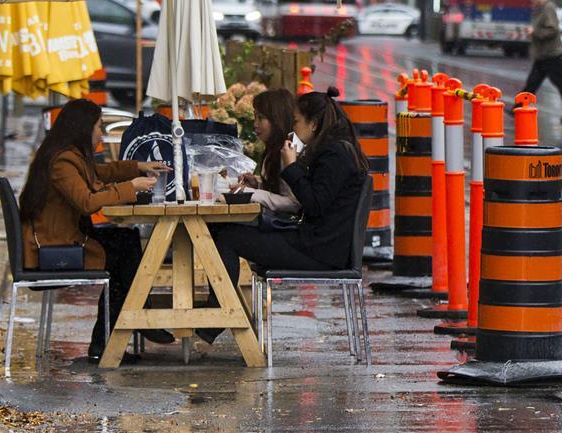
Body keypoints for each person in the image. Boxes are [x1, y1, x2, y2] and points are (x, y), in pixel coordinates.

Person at [197, 87, 369, 344]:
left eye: (297, 120)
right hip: (316, 244)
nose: (293, 126)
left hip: (319, 252)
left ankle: (215, 315)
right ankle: (216, 313)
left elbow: (312, 204)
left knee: (228, 237)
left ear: (313, 123)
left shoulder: (336, 154)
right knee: (227, 232)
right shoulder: (334, 150)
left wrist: (291, 167)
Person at [19, 99, 175, 362]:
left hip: (61, 240)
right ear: (83, 128)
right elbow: (87, 201)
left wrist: (137, 167)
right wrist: (132, 186)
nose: (101, 134)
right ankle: (111, 338)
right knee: (123, 256)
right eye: (99, 127)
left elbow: (98, 172)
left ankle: (132, 317)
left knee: (126, 238)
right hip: (54, 250)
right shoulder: (63, 161)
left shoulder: (66, 155)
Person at [235, 88, 301, 213]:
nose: (255, 124)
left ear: (277, 119)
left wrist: (251, 193)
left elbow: (294, 203)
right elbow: (278, 192)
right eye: (255, 117)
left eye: (260, 118)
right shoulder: (273, 151)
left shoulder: (288, 151)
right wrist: (257, 186)